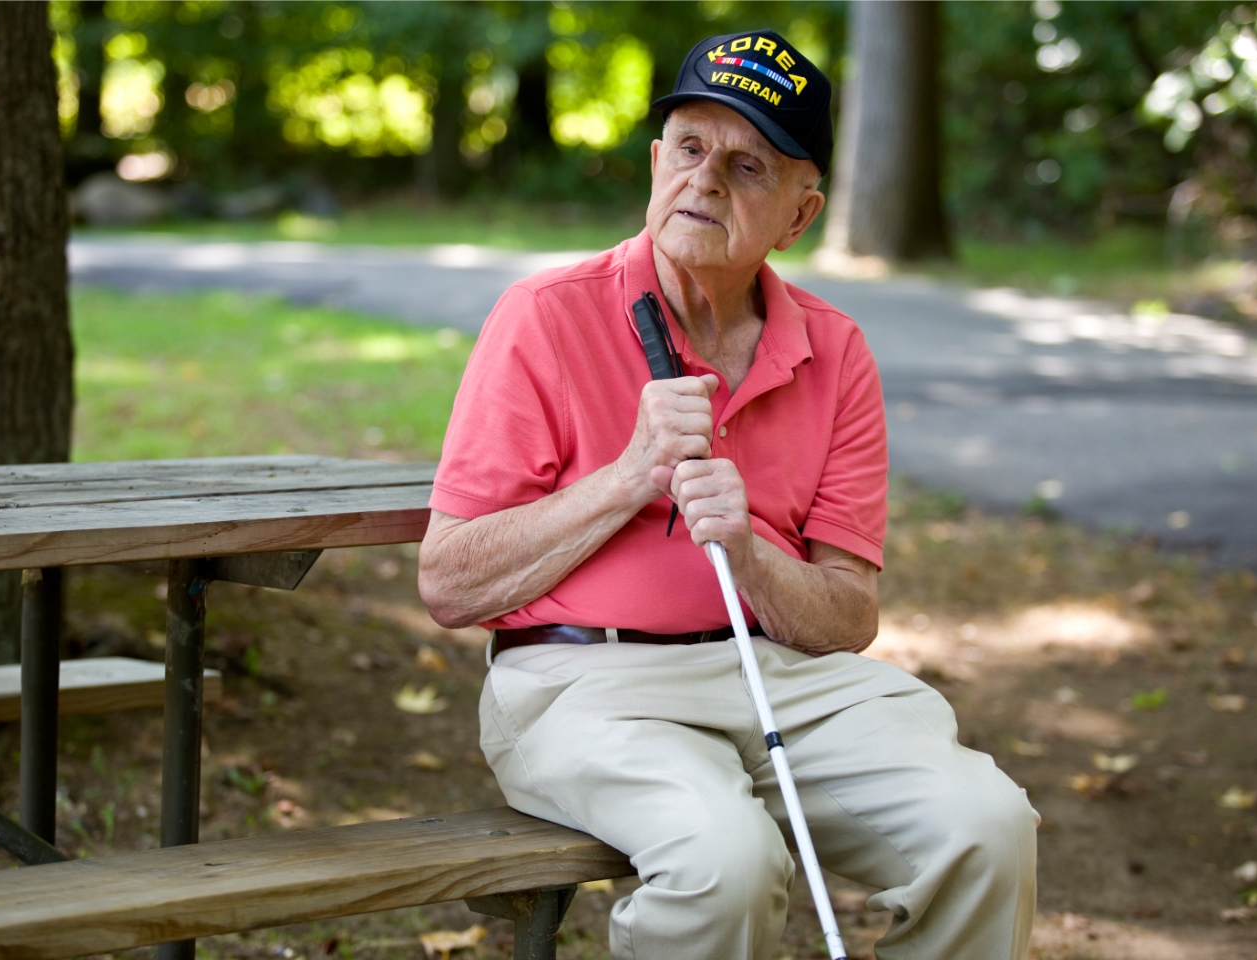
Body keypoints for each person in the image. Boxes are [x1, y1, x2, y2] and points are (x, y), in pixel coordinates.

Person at [418, 29, 1038, 960]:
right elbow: (448, 582)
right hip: (588, 682)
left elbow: (849, 616)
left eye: (749, 166)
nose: (705, 181)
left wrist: (749, 556)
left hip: (788, 678)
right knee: (727, 863)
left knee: (987, 827)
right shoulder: (544, 316)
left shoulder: (835, 349)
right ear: (655, 164)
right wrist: (630, 476)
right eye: (690, 148)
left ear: (800, 214)